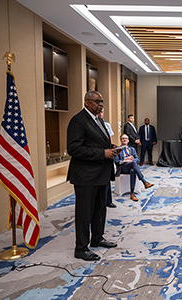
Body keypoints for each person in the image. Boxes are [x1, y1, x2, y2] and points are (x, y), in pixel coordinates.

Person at [67, 91, 119, 261]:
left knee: (99, 210)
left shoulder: (99, 121)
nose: (101, 104)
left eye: (102, 101)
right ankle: (81, 248)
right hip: (85, 176)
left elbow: (97, 142)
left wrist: (111, 147)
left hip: (101, 174)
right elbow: (74, 149)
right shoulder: (78, 120)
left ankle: (97, 238)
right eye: (97, 102)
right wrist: (102, 153)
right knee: (84, 213)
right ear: (87, 102)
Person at [115, 134, 154, 201]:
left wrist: (132, 159)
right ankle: (144, 181)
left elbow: (137, 159)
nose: (124, 139)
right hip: (122, 168)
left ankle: (132, 193)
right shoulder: (117, 150)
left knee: (133, 170)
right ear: (121, 140)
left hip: (130, 167)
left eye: (126, 138)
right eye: (123, 138)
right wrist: (125, 160)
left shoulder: (132, 149)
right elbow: (116, 162)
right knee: (133, 163)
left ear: (128, 140)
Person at [98, 108, 116, 208]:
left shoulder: (106, 124)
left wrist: (112, 147)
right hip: (98, 154)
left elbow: (110, 140)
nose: (101, 114)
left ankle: (108, 201)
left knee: (106, 180)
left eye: (102, 112)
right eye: (99, 112)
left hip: (107, 155)